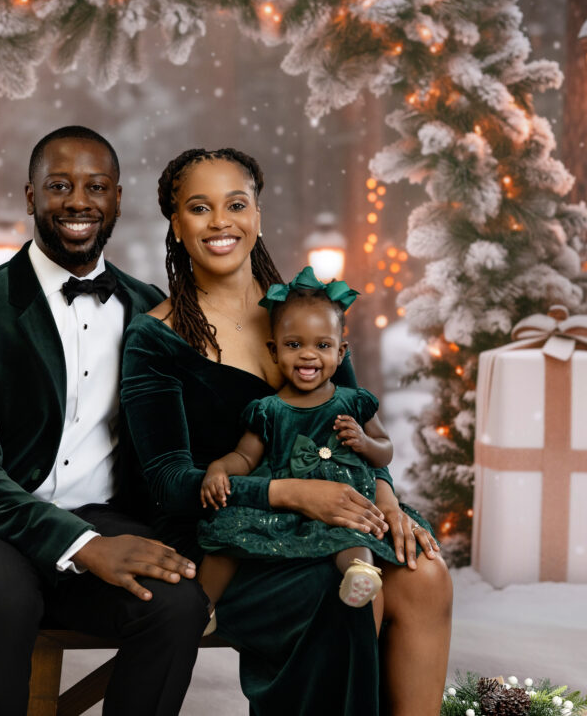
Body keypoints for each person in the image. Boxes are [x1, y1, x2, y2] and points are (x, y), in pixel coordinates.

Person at [0, 126, 209, 716]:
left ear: (116, 199)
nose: (78, 201)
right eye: (59, 186)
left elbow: (173, 445)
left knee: (178, 604)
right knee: (4, 605)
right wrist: (83, 547)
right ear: (31, 197)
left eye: (95, 187)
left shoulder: (150, 309)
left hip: (108, 514)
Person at [120, 147, 453, 716]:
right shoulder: (155, 339)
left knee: (425, 576)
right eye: (200, 207)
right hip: (224, 538)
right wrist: (289, 492)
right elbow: (169, 481)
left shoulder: (306, 317)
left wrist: (388, 500)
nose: (220, 221)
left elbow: (352, 424)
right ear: (175, 224)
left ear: (258, 215)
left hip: (329, 515)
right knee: (341, 595)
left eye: (236, 204)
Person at [196, 267, 438, 626]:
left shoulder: (354, 403)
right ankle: (201, 608)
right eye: (294, 345)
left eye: (322, 346)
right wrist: (219, 468)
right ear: (274, 351)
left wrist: (365, 442)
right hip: (288, 508)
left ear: (340, 353)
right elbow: (245, 457)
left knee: (352, 535)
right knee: (228, 532)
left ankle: (361, 577)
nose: (308, 356)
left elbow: (385, 451)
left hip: (344, 504)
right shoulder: (268, 410)